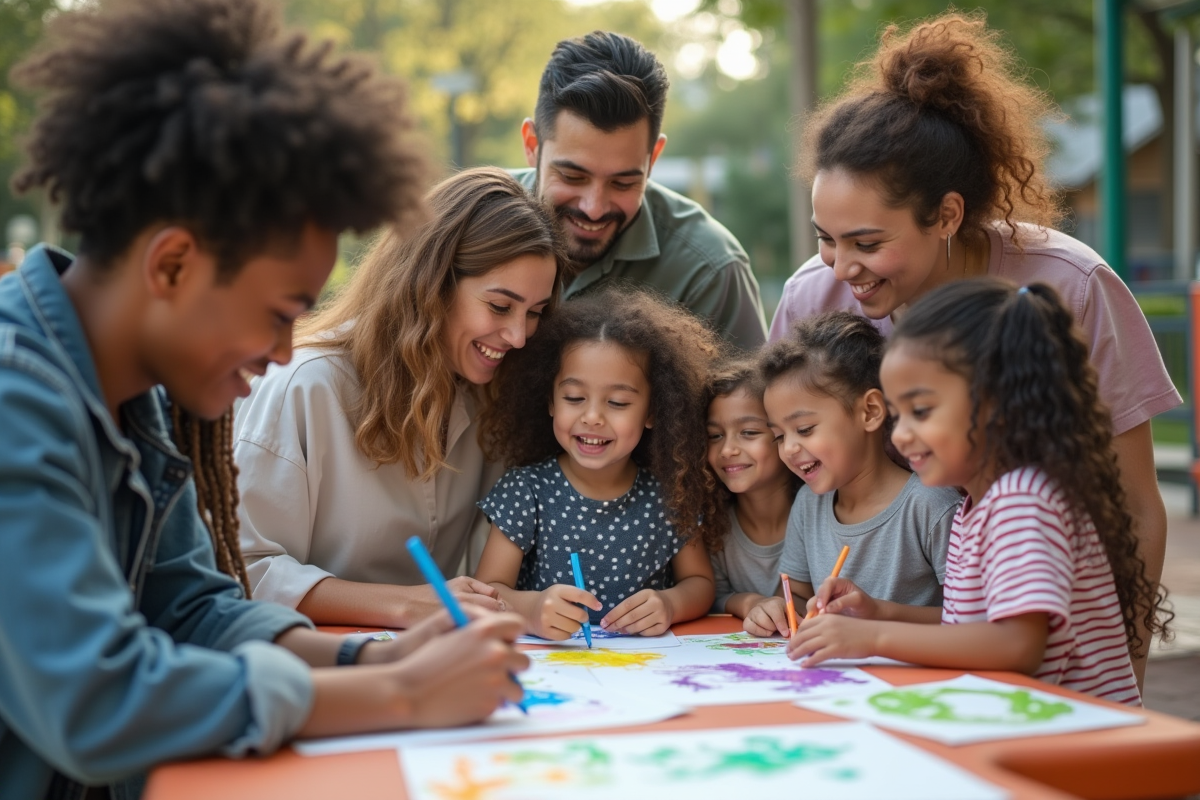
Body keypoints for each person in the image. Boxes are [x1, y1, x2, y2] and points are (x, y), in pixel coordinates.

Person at [0, 2, 528, 797]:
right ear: (173, 264)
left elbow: (194, 611)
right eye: (279, 313)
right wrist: (400, 695)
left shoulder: (136, 395)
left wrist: (372, 656)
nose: (285, 352)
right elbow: (97, 700)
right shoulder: (16, 401)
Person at [768, 12, 1179, 684]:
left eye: (868, 243)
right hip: (925, 663)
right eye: (826, 237)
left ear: (948, 216)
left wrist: (1123, 683)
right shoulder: (815, 295)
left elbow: (1135, 503)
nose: (841, 268)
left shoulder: (1070, 288)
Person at [788, 279, 1172, 706]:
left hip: (1080, 751)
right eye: (898, 416)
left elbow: (1017, 647)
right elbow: (970, 630)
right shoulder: (978, 505)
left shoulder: (1022, 501)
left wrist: (874, 636)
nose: (903, 435)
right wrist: (881, 611)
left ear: (997, 402)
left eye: (922, 411)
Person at [234, 167, 567, 628]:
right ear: (430, 285)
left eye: (535, 313)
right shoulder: (304, 386)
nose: (518, 335)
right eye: (499, 306)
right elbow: (242, 571)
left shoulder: (494, 396)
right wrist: (406, 605)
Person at [473, 287, 722, 639]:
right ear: (550, 402)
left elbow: (700, 584)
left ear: (653, 412)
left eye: (618, 402)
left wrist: (670, 604)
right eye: (574, 397)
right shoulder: (526, 491)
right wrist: (531, 610)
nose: (592, 417)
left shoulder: (670, 495)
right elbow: (489, 588)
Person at [513, 30, 767, 351]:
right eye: (572, 177)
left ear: (654, 159)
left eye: (623, 183)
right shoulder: (466, 223)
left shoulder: (710, 271)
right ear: (532, 145)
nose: (594, 208)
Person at [744, 312, 960, 638]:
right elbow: (798, 595)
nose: (788, 448)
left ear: (870, 412)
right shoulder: (808, 503)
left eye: (804, 429)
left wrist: (876, 618)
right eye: (779, 435)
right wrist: (776, 607)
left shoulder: (932, 507)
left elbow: (969, 619)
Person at [704, 359, 801, 619]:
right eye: (715, 436)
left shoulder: (820, 513)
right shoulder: (714, 524)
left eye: (748, 432)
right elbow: (712, 597)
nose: (727, 450)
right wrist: (748, 603)